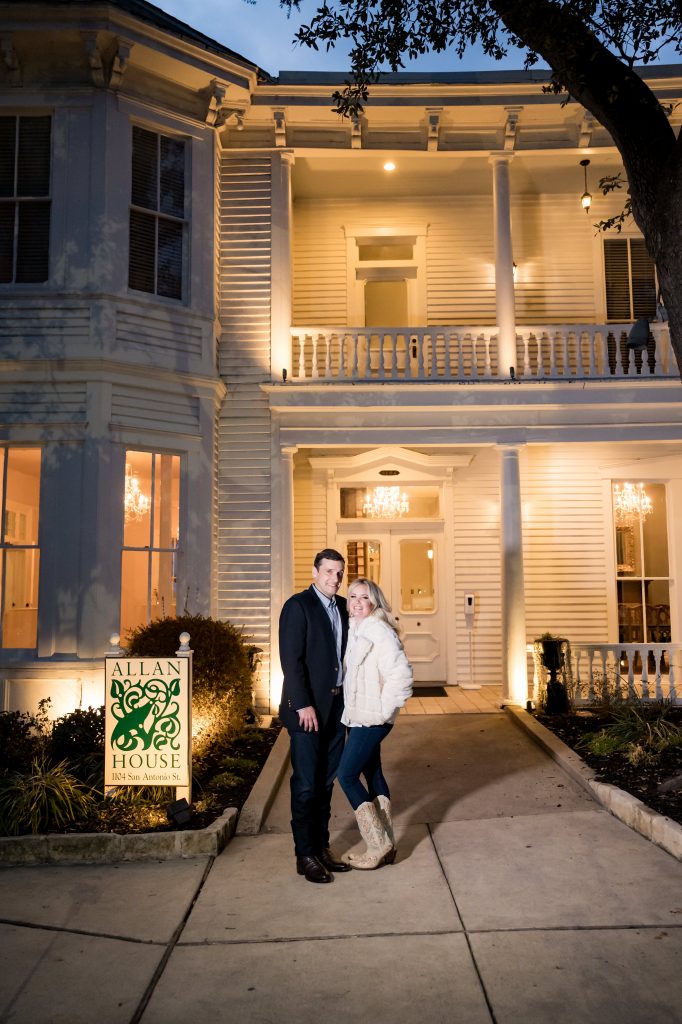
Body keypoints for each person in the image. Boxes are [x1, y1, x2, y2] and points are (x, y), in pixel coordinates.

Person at [279, 548, 351, 884]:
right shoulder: (298, 606)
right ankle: (304, 854)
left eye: (339, 573)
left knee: (325, 781)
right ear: (315, 571)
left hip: (337, 709)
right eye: (328, 572)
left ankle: (322, 848)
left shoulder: (342, 610)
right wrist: (302, 703)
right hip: (308, 710)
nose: (334, 579)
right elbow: (290, 662)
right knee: (306, 784)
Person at [337, 577, 413, 869]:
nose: (357, 601)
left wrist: (382, 712)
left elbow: (402, 677)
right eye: (352, 596)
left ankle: (377, 845)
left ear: (375, 603)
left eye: (364, 597)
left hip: (372, 718)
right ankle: (389, 845)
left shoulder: (379, 631)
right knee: (373, 771)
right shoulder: (356, 628)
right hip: (359, 715)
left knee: (346, 775)